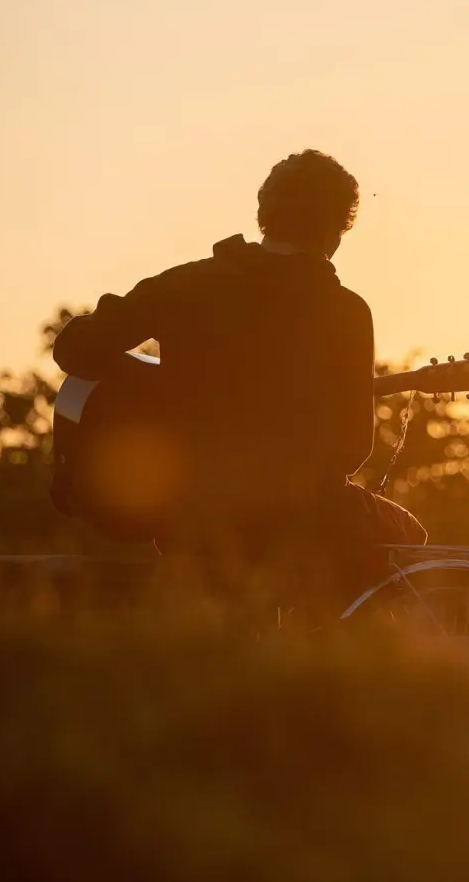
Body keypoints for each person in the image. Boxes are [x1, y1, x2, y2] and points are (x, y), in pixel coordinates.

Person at [52, 150, 426, 620]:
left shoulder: (184, 285)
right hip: (297, 517)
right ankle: (357, 664)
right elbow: (352, 448)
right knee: (410, 541)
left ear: (264, 212)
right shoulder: (345, 311)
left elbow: (75, 350)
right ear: (335, 230)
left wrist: (148, 383)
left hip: (189, 513)